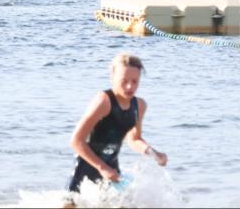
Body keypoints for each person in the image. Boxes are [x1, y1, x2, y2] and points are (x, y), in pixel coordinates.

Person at [67, 53, 168, 194]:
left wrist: (154, 154)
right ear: (112, 77)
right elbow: (76, 141)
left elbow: (134, 139)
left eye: (134, 81)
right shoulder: (103, 101)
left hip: (112, 168)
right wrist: (102, 167)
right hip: (86, 167)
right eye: (124, 81)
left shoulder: (139, 105)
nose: (129, 87)